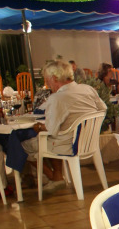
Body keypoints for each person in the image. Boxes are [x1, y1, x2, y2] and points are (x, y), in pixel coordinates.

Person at [22, 59, 106, 189]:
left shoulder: (57, 98)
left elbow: (51, 129)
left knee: (25, 144)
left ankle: (52, 176)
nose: (47, 83)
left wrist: (38, 127)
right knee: (52, 136)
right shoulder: (87, 89)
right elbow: (103, 109)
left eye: (47, 79)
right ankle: (56, 176)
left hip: (68, 145)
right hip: (89, 142)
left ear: (55, 78)